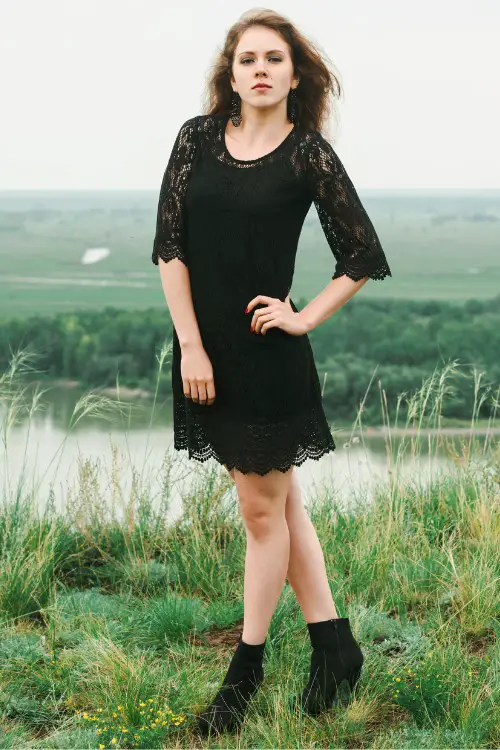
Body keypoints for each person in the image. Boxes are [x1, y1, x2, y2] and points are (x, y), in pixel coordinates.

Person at [152, 7, 392, 737]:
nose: (259, 68)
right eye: (247, 58)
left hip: (268, 360)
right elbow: (171, 249)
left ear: (294, 74)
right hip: (206, 355)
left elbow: (361, 255)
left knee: (262, 515)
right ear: (231, 74)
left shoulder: (306, 154)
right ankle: (333, 647)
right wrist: (191, 345)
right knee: (280, 507)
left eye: (273, 59)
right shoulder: (195, 140)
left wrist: (304, 316)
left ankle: (243, 677)